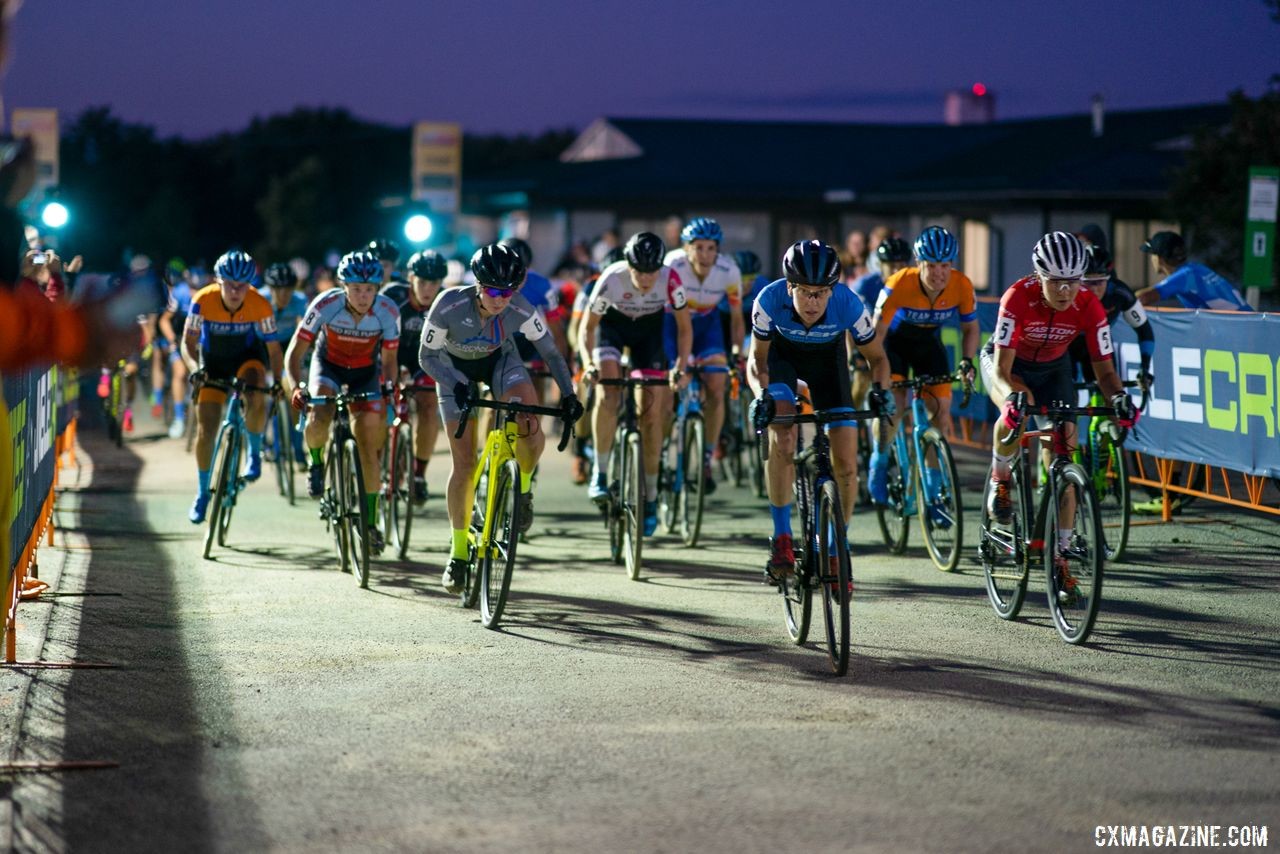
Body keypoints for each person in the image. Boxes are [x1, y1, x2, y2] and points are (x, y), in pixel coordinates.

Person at [419, 243, 582, 593]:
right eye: (493, 290)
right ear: (478, 284)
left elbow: (551, 353)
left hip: (499, 362)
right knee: (464, 465)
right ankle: (458, 553)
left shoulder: (521, 308)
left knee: (529, 421)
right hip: (454, 371)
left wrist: (569, 394)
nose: (500, 298)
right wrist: (456, 383)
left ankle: (523, 489)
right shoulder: (449, 304)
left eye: (508, 292)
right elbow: (427, 356)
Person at [980, 233, 1137, 591]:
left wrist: (1119, 400)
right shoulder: (1017, 298)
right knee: (1014, 411)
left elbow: (1107, 373)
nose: (1066, 290)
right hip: (1010, 365)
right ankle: (1000, 478)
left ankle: (1060, 556)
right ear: (1039, 276)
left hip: (1054, 369)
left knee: (1065, 452)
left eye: (1073, 281)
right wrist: (1011, 398)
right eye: (1056, 282)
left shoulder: (1089, 306)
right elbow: (1003, 372)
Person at [748, 240, 892, 576]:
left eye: (822, 293)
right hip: (782, 359)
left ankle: (833, 545)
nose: (813, 302)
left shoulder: (849, 304)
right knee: (783, 434)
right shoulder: (769, 300)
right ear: (790, 286)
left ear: (833, 289)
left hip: (829, 362)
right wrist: (761, 395)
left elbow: (878, 358)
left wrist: (880, 392)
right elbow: (757, 360)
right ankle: (782, 536)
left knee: (846, 462)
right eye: (806, 292)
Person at [287, 250, 401, 555]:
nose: (363, 296)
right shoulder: (325, 304)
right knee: (318, 417)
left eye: (369, 290)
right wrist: (296, 387)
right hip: (328, 367)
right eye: (356, 289)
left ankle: (372, 523)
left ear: (378, 288)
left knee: (368, 447)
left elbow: (389, 360)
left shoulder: (388, 311)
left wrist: (390, 389)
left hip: (366, 373)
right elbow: (294, 354)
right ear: (343, 286)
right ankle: (316, 462)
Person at [581, 232, 692, 535]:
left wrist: (681, 365)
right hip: (612, 330)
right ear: (628, 265)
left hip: (648, 335)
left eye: (651, 271)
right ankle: (600, 473)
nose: (646, 278)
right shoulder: (612, 279)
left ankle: (652, 497)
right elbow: (587, 328)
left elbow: (684, 328)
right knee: (608, 393)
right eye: (640, 271)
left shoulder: (670, 280)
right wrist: (589, 363)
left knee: (652, 416)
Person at [867, 225, 979, 504]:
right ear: (918, 263)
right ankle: (879, 459)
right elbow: (875, 335)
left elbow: (971, 329)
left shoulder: (961, 284)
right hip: (893, 346)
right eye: (932, 265)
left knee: (940, 415)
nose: (939, 273)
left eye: (945, 265)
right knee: (894, 408)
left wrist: (966, 361)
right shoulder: (898, 283)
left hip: (928, 345)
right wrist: (879, 378)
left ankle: (933, 490)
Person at [182, 250, 284, 524]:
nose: (236, 291)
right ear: (218, 281)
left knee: (255, 390)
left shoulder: (260, 304)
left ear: (251, 284)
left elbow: (274, 350)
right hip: (212, 362)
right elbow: (187, 343)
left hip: (247, 359)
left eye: (243, 285)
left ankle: (254, 451)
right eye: (230, 284)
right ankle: (203, 493)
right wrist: (195, 370)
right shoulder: (202, 300)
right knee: (207, 429)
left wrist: (277, 380)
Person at [663, 217, 743, 495]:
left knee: (717, 385)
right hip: (672, 325)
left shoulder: (729, 270)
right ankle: (662, 452)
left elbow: (735, 319)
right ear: (686, 248)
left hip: (707, 327)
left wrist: (736, 353)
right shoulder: (671, 265)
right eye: (698, 247)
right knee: (666, 388)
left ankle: (707, 457)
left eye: (711, 248)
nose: (705, 255)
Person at [381, 249, 448, 502]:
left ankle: (418, 474)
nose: (428, 289)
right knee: (384, 407)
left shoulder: (446, 302)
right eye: (422, 282)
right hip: (390, 356)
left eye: (434, 283)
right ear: (411, 278)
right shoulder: (391, 296)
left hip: (425, 362)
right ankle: (380, 460)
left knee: (430, 405)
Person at [1070, 244, 1155, 391]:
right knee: (1066, 398)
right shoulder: (1067, 294)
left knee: (1112, 396)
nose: (1094, 289)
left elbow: (1144, 331)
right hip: (1068, 345)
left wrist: (1145, 367)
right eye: (1088, 283)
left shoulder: (1119, 293)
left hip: (1100, 343)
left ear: (1108, 279)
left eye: (1100, 282)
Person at [849, 237, 912, 407]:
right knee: (860, 385)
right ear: (881, 265)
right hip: (867, 337)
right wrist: (853, 354)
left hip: (895, 342)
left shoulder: (913, 285)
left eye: (901, 264)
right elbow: (850, 323)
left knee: (900, 392)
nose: (896, 270)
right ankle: (853, 422)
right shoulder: (864, 286)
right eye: (891, 265)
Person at [259, 262, 309, 461]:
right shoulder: (259, 298)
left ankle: (297, 448)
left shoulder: (299, 300)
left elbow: (307, 326)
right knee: (262, 393)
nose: (283, 295)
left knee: (292, 393)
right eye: (278, 290)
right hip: (262, 346)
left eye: (288, 290)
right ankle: (261, 438)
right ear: (269, 289)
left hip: (287, 346)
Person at [1134, 231, 1251, 311]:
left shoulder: (1183, 276)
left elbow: (1143, 298)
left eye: (1151, 254)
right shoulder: (1196, 269)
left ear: (1159, 258)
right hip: (1248, 328)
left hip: (1239, 333)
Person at [159, 266, 195, 438]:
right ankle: (179, 418)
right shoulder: (179, 293)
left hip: (199, 339)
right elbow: (164, 320)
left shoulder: (212, 296)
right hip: (179, 337)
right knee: (180, 373)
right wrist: (172, 339)